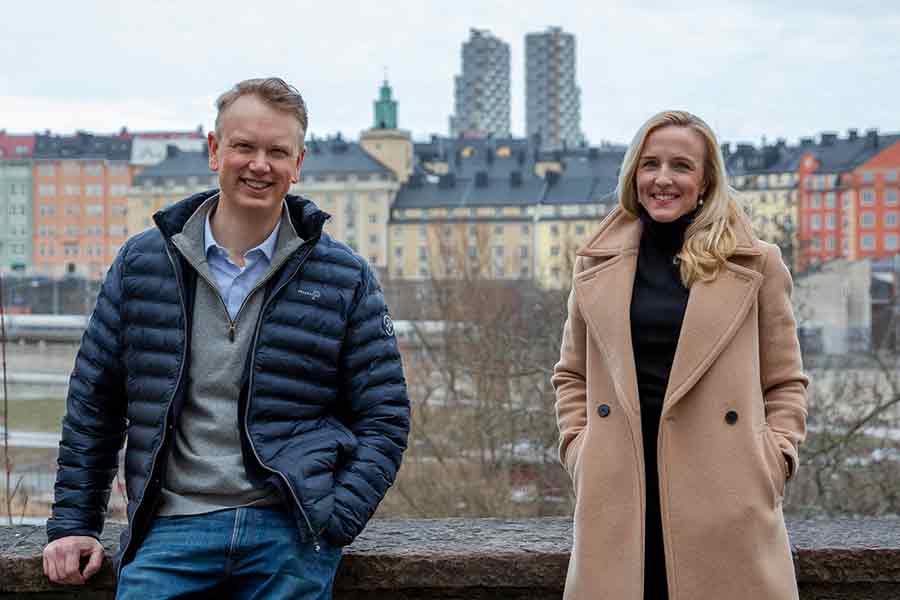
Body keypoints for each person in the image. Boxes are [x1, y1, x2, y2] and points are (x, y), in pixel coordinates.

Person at [42, 77, 410, 599]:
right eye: (244, 146)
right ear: (216, 151)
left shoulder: (343, 276)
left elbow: (385, 417)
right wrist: (74, 523)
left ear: (298, 164)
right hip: (171, 529)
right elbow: (94, 404)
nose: (260, 164)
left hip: (288, 535)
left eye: (277, 151)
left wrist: (334, 523)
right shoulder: (143, 263)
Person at [553, 110, 808, 600]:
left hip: (725, 491)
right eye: (650, 164)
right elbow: (571, 375)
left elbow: (786, 382)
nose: (663, 179)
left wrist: (771, 461)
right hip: (620, 491)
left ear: (706, 179)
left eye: (681, 166)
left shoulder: (756, 263)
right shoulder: (595, 264)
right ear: (634, 175)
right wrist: (580, 450)